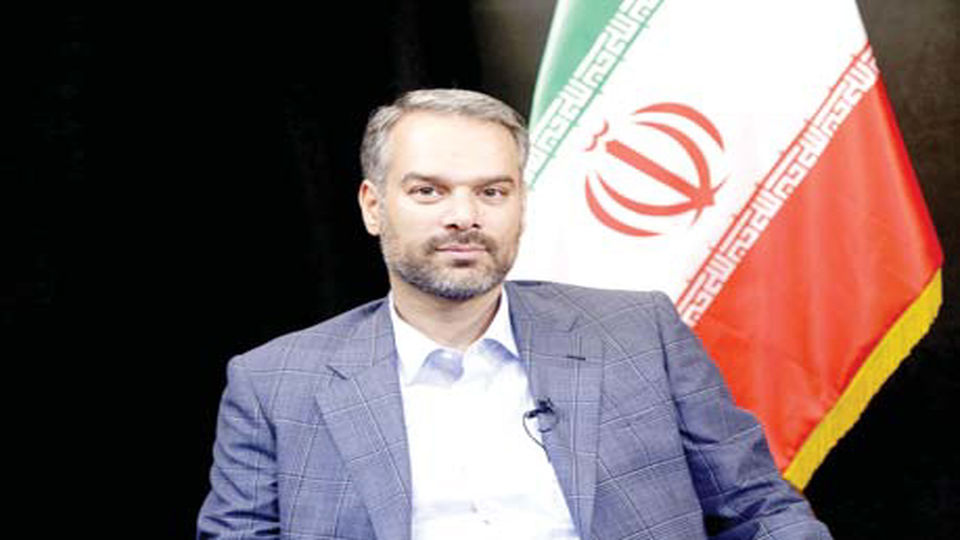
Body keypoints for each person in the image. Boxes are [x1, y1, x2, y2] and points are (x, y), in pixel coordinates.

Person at [197, 89, 831, 539]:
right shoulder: (275, 383)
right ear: (372, 206)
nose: (464, 217)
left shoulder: (641, 334)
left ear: (521, 204)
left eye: (492, 191)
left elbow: (759, 511)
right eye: (428, 191)